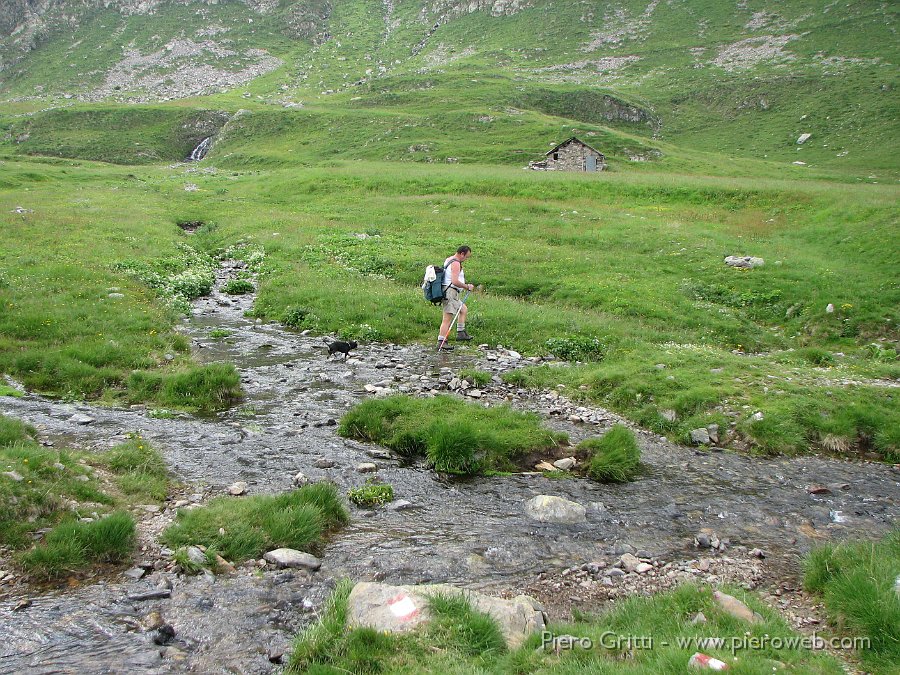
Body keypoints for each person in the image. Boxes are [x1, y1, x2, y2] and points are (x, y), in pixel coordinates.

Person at [438, 245, 475, 350]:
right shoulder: (455, 263)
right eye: (466, 257)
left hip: (451, 292)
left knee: (463, 309)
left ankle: (461, 333)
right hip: (450, 292)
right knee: (447, 319)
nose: (466, 259)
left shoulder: (449, 259)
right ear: (462, 254)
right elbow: (454, 281)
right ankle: (441, 342)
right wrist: (467, 286)